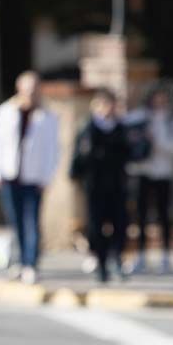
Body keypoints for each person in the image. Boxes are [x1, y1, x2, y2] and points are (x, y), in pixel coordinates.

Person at [0, 71, 60, 285]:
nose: (31, 93)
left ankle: (31, 263)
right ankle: (19, 260)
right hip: (10, 174)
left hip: (34, 176)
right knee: (15, 220)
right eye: (28, 88)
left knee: (32, 221)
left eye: (35, 89)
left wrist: (47, 177)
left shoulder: (47, 116)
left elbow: (53, 150)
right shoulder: (6, 112)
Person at [70, 89, 132, 283]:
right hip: (95, 184)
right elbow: (79, 156)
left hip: (116, 183)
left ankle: (116, 258)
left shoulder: (120, 128)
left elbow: (129, 153)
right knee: (96, 226)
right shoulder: (88, 128)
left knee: (120, 224)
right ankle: (101, 263)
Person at [127, 89, 173, 274]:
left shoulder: (172, 121)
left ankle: (166, 256)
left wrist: (157, 142)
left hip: (164, 174)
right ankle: (141, 255)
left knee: (164, 216)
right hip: (143, 172)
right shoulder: (141, 117)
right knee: (141, 216)